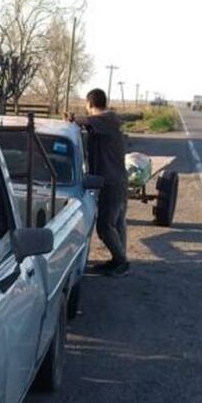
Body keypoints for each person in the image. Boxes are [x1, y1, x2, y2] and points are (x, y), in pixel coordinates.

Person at [81, 88, 130, 276]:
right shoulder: (106, 122)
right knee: (117, 223)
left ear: (90, 103)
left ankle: (121, 261)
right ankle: (119, 259)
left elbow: (85, 120)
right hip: (116, 179)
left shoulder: (107, 118)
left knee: (105, 226)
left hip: (111, 181)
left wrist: (71, 118)